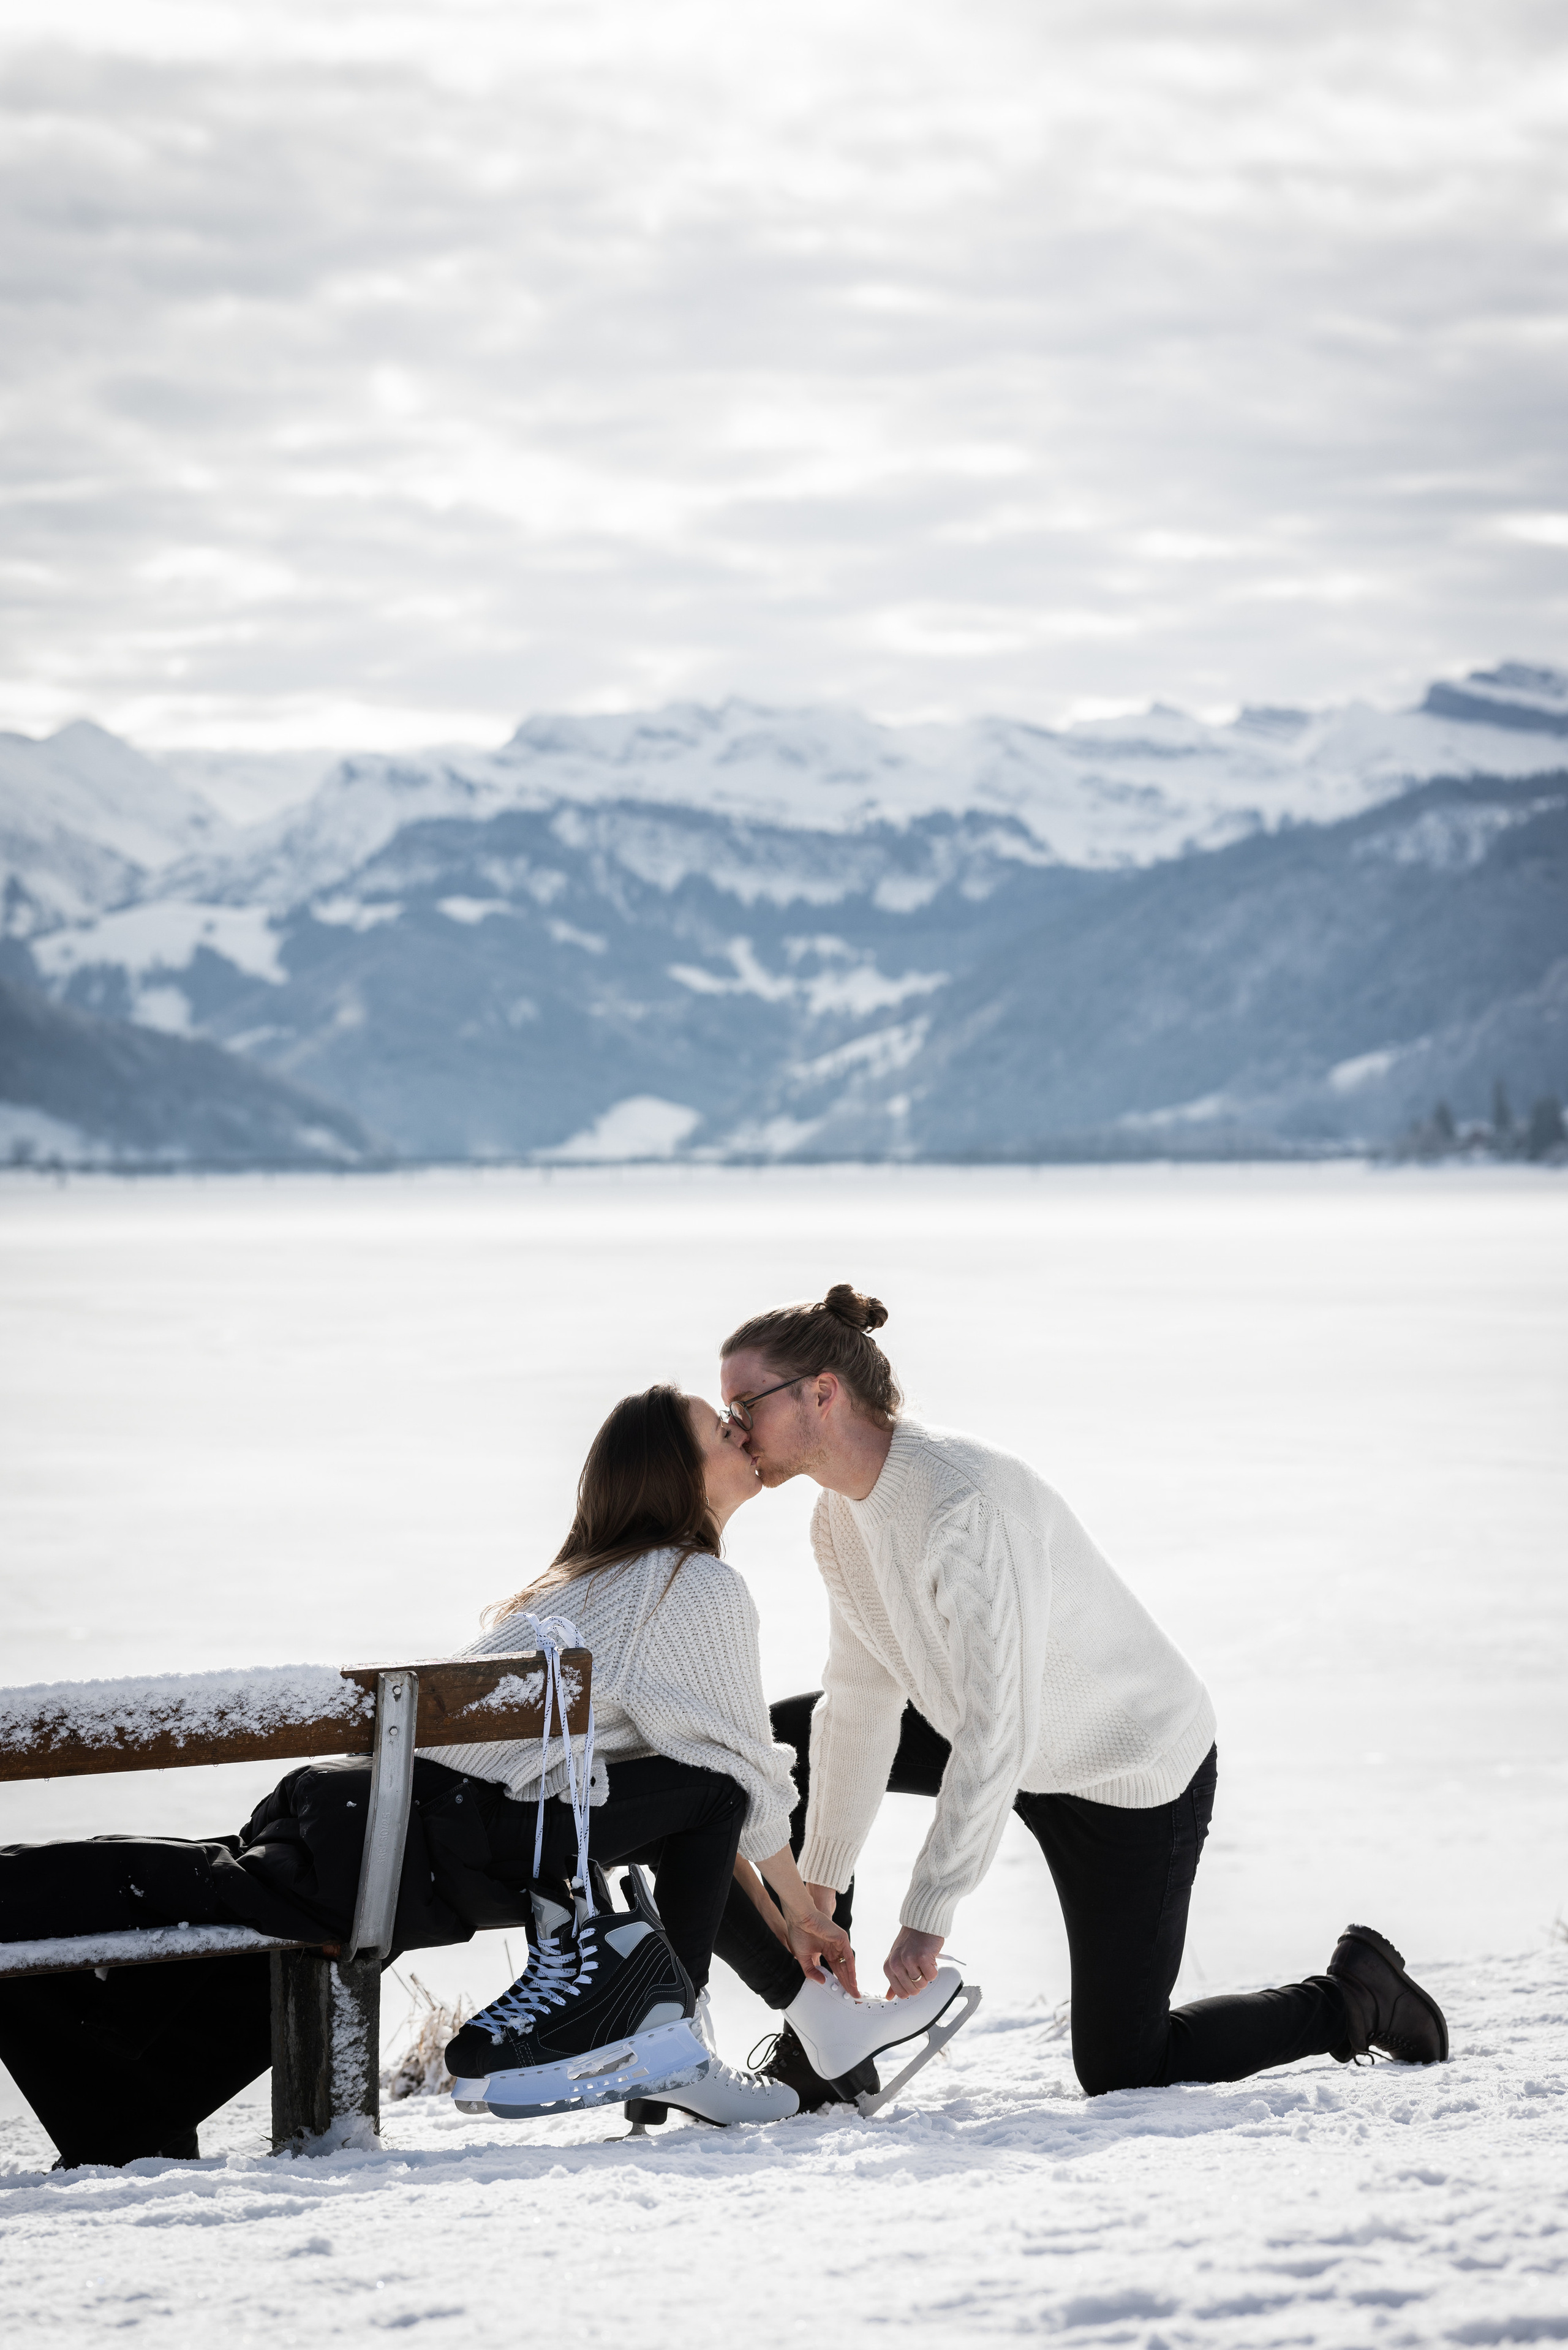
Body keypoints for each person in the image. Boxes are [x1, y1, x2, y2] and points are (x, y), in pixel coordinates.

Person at [714, 1283, 1449, 2106]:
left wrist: (929, 1909)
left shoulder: (964, 1503)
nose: (733, 1427)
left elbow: (1001, 1726)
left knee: (1125, 2064)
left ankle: (1356, 1997)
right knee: (790, 1746)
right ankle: (830, 2045)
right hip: (1009, 1739)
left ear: (822, 1390)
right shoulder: (838, 1520)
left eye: (745, 1402)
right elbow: (858, 1701)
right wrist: (818, 1884)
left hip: (1125, 1771)